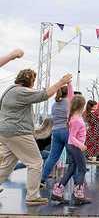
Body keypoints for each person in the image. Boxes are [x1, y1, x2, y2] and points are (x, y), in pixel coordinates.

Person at [0, 68, 72, 206]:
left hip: (5, 132)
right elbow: (43, 95)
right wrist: (61, 82)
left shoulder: (9, 90)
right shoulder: (21, 91)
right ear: (30, 80)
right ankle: (32, 196)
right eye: (33, 80)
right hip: (18, 132)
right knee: (35, 162)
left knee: (8, 163)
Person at [51, 95, 91, 205]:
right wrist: (81, 145)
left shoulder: (74, 116)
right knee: (82, 169)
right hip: (75, 147)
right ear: (82, 106)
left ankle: (58, 191)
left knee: (72, 169)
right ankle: (79, 195)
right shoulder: (77, 120)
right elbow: (72, 137)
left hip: (72, 146)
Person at [41, 82, 74, 186]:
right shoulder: (69, 102)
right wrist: (70, 83)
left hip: (55, 132)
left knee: (52, 157)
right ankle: (75, 183)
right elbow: (72, 94)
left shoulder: (54, 104)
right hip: (66, 131)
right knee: (73, 158)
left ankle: (42, 179)